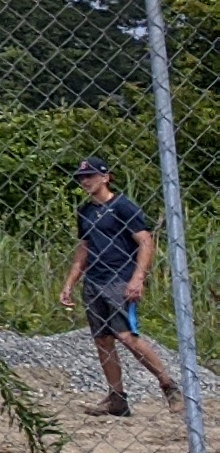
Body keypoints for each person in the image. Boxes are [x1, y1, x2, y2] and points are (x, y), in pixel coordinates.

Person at [61, 156, 179, 416]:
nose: (85, 181)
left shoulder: (123, 207)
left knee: (126, 336)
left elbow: (145, 242)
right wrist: (70, 283)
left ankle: (168, 385)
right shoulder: (85, 211)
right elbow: (84, 248)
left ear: (105, 177)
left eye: (90, 176)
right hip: (94, 280)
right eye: (81, 178)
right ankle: (117, 398)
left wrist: (138, 278)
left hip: (119, 279)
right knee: (102, 340)